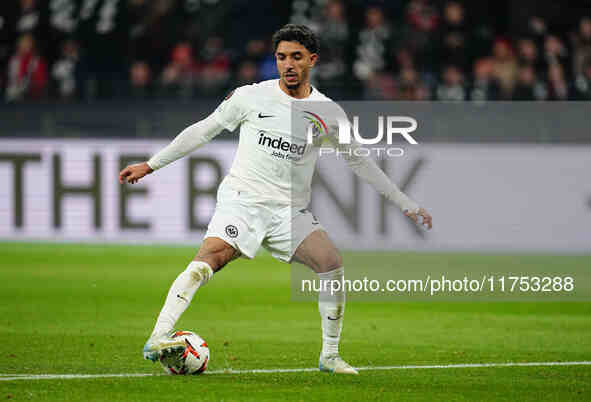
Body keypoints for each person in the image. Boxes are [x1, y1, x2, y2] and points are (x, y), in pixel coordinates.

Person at [119, 24, 432, 375]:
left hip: (289, 212)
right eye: (282, 57)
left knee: (331, 264)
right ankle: (158, 336)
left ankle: (329, 356)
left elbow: (360, 161)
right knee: (211, 258)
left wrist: (405, 203)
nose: (288, 64)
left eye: (296, 57)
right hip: (244, 199)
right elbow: (204, 129)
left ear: (312, 60)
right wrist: (151, 164)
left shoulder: (327, 113)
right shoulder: (251, 96)